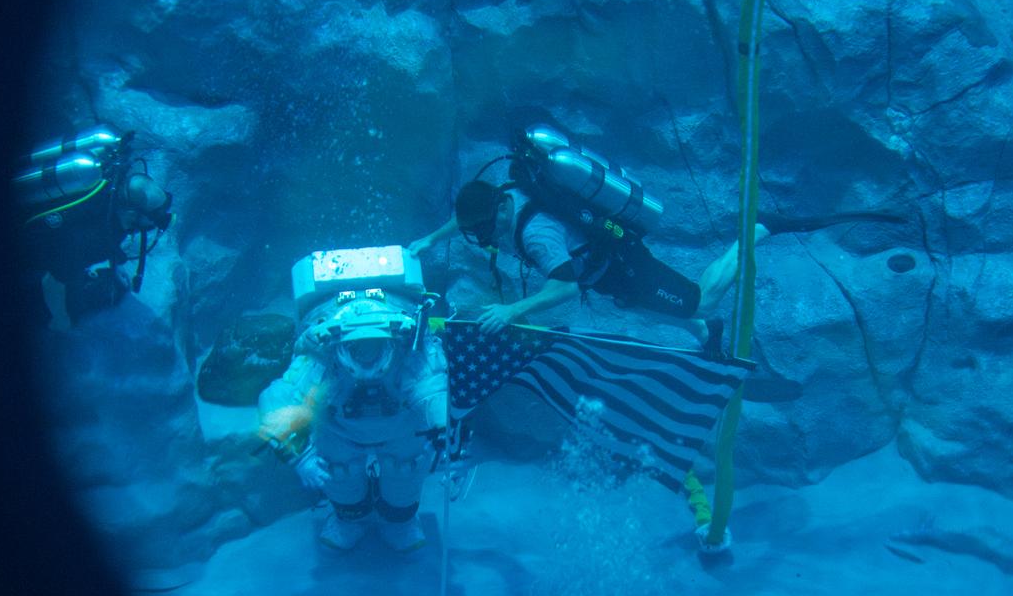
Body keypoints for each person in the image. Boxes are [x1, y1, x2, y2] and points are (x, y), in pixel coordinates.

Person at [404, 126, 768, 355]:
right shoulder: (504, 192)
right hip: (606, 272)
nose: (483, 237)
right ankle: (707, 334)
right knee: (643, 307)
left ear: (501, 210)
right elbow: (468, 214)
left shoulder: (537, 236)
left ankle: (755, 232)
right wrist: (430, 238)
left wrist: (511, 311)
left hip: (624, 265)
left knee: (699, 301)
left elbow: (564, 288)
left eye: (484, 229)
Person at [256, 293, 448, 552]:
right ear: (341, 345)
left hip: (400, 426)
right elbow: (277, 402)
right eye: (357, 348)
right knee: (338, 473)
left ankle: (400, 521)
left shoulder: (410, 346)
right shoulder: (322, 352)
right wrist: (301, 457)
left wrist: (442, 431)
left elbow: (433, 390)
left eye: (373, 345)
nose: (366, 356)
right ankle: (348, 519)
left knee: (405, 471)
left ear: (389, 341)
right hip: (338, 429)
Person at [17, 129, 174, 330]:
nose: (147, 228)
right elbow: (62, 273)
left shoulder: (109, 179)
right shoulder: (95, 229)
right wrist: (66, 317)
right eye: (149, 221)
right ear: (131, 215)